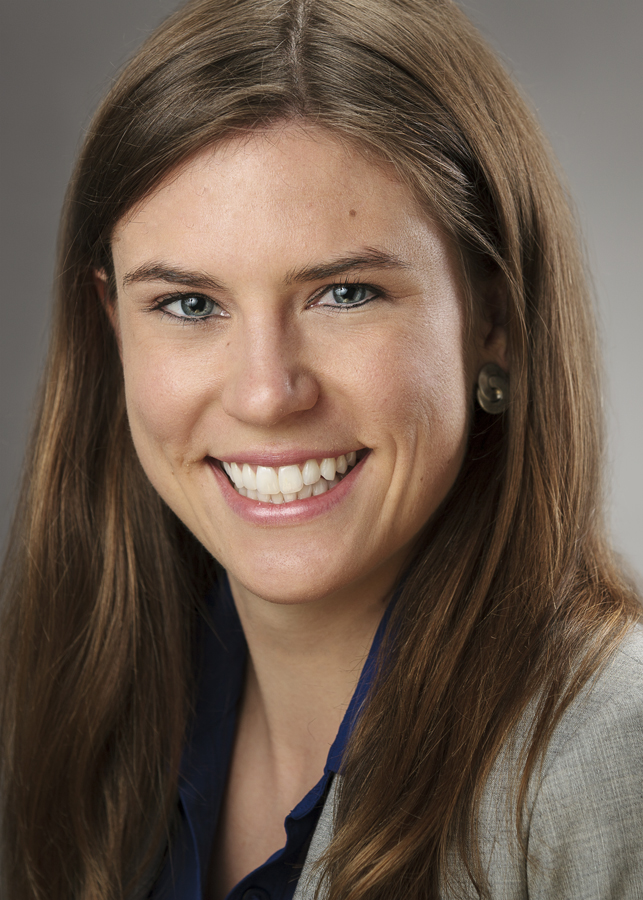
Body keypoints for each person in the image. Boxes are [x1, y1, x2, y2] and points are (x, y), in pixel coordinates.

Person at [1, 0, 641, 898]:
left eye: (344, 293)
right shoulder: (76, 711)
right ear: (113, 326)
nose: (267, 393)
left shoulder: (613, 756)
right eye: (189, 305)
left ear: (491, 317)